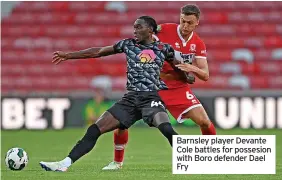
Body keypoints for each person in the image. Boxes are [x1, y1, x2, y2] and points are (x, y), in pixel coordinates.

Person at [39, 16, 180, 172]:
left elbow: (177, 67)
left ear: (150, 30)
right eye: (134, 27)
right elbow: (99, 52)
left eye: (139, 27)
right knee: (94, 129)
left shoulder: (164, 49)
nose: (135, 30)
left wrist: (188, 75)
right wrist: (69, 55)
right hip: (131, 99)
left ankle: (191, 161)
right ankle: (64, 164)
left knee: (166, 129)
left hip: (151, 97)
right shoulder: (128, 45)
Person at [102, 4, 216, 170]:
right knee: (121, 124)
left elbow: (205, 75)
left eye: (189, 23)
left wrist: (191, 67)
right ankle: (117, 162)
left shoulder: (198, 43)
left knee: (205, 122)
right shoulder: (164, 29)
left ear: (197, 22)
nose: (185, 26)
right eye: (183, 21)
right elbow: (141, 36)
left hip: (178, 88)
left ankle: (212, 158)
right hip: (153, 86)